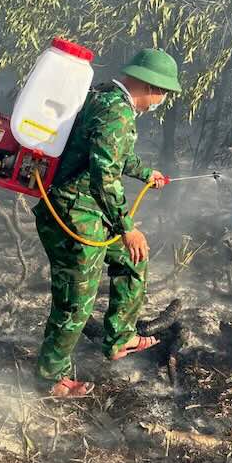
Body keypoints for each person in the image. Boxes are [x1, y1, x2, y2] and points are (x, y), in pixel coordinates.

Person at [32, 48, 181, 397]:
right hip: (72, 215)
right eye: (163, 93)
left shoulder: (107, 97)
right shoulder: (117, 112)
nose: (161, 100)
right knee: (75, 302)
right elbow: (104, 175)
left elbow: (112, 155)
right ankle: (50, 378)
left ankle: (119, 336)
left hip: (89, 211)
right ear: (149, 86)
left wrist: (146, 173)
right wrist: (127, 226)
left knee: (132, 261)